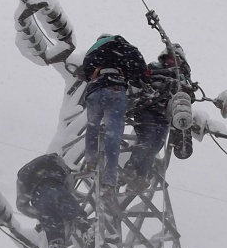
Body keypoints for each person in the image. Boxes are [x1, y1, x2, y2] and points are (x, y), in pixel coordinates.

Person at [78, 34, 148, 188]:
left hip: (96, 89)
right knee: (113, 135)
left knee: (93, 126)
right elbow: (139, 65)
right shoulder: (122, 45)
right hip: (116, 89)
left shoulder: (93, 50)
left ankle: (91, 159)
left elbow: (85, 72)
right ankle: (109, 179)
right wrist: (140, 77)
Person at [127, 44, 193, 187]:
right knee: (148, 138)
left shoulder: (182, 79)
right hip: (147, 109)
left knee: (157, 144)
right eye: (169, 58)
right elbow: (141, 81)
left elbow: (187, 97)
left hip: (163, 115)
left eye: (174, 59)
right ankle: (131, 167)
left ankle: (142, 175)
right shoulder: (153, 68)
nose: (171, 61)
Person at [16, 153, 87, 248]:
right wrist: (68, 195)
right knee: (70, 207)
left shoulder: (23, 177)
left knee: (52, 225)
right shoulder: (56, 161)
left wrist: (39, 214)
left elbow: (22, 205)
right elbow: (69, 183)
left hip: (38, 196)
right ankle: (84, 229)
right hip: (55, 186)